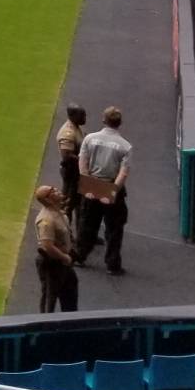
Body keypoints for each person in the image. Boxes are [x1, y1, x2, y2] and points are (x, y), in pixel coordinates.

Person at [74, 107, 130, 273]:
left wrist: (87, 183)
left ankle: (80, 256)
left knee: (87, 224)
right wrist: (113, 190)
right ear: (119, 123)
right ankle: (112, 264)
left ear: (104, 120)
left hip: (92, 183)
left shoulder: (90, 139)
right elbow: (123, 172)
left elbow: (82, 163)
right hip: (111, 186)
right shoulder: (125, 146)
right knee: (114, 228)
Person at [34, 184, 78, 313]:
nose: (57, 190)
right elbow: (47, 245)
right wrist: (64, 257)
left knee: (70, 289)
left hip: (64, 262)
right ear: (48, 199)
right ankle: (45, 325)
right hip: (52, 264)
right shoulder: (46, 219)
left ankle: (70, 320)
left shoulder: (59, 212)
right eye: (52, 191)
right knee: (50, 298)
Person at [55, 103, 87, 214]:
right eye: (82, 116)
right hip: (71, 172)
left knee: (77, 201)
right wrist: (85, 160)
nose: (84, 118)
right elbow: (67, 156)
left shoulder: (77, 128)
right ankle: (63, 228)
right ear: (72, 116)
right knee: (67, 203)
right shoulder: (67, 133)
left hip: (76, 171)